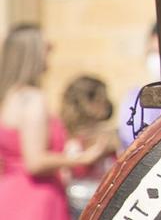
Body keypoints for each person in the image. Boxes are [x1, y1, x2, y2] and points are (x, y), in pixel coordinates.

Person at [0, 26, 106, 220]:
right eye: (46, 48)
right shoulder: (33, 99)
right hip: (34, 200)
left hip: (10, 196)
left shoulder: (9, 98)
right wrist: (83, 158)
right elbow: (35, 162)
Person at [57, 75, 116, 217]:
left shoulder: (106, 133)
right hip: (79, 200)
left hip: (98, 197)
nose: (107, 104)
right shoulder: (66, 135)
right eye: (101, 99)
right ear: (87, 102)